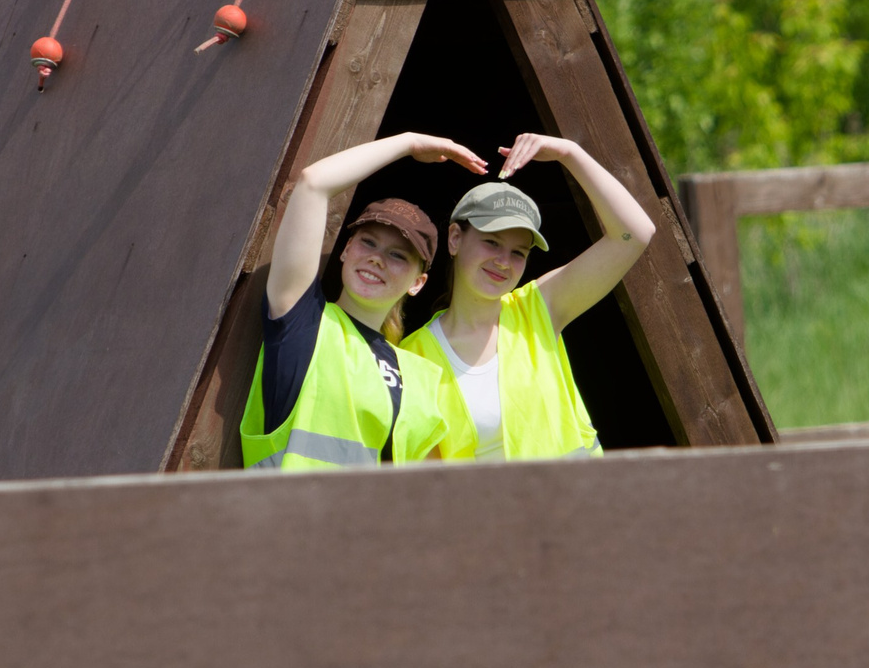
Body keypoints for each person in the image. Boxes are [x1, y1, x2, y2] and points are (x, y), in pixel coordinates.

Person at [241, 132, 486, 471]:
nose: (376, 258)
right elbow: (313, 184)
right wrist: (408, 143)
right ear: (345, 250)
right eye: (368, 242)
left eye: (397, 255)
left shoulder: (421, 376)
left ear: (418, 283)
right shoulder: (304, 323)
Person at [403, 131, 654, 460]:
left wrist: (570, 152)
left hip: (587, 506)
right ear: (454, 239)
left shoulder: (539, 308)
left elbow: (634, 234)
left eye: (518, 252)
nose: (503, 262)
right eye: (491, 242)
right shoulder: (412, 357)